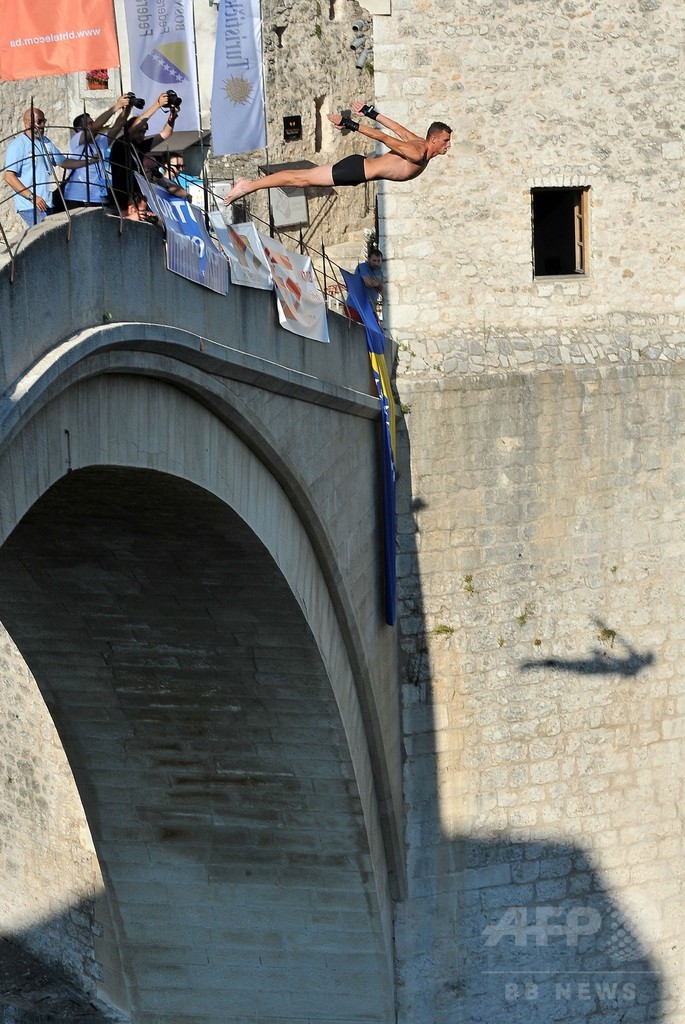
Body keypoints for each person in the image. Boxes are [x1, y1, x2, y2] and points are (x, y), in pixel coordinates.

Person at [224, 102, 452, 205]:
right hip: (356, 170)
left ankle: (250, 185)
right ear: (433, 139)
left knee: (302, 178)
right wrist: (349, 123)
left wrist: (370, 112)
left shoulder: (419, 143)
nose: (448, 145)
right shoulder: (417, 153)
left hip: (358, 171)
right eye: (445, 140)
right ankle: (248, 186)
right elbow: (383, 137)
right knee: (301, 179)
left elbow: (397, 128)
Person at [3, 107, 98, 226]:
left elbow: (64, 162)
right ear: (27, 123)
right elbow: (8, 176)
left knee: (55, 233)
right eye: (39, 122)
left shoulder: (46, 141)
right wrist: (32, 197)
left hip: (47, 202)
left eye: (44, 121)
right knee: (45, 232)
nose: (43, 125)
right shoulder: (18, 145)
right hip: (31, 205)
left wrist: (90, 161)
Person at [109, 92, 182, 211]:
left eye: (144, 132)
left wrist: (172, 116)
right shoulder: (120, 143)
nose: (142, 135)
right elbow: (138, 124)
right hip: (123, 195)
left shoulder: (140, 146)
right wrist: (158, 104)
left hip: (138, 194)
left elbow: (166, 133)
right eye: (140, 131)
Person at [63, 95, 130, 210]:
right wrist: (116, 106)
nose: (94, 125)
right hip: (78, 198)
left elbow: (119, 124)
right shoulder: (76, 140)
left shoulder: (100, 142)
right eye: (89, 124)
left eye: (92, 122)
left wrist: (127, 108)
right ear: (79, 128)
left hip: (97, 197)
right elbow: (95, 128)